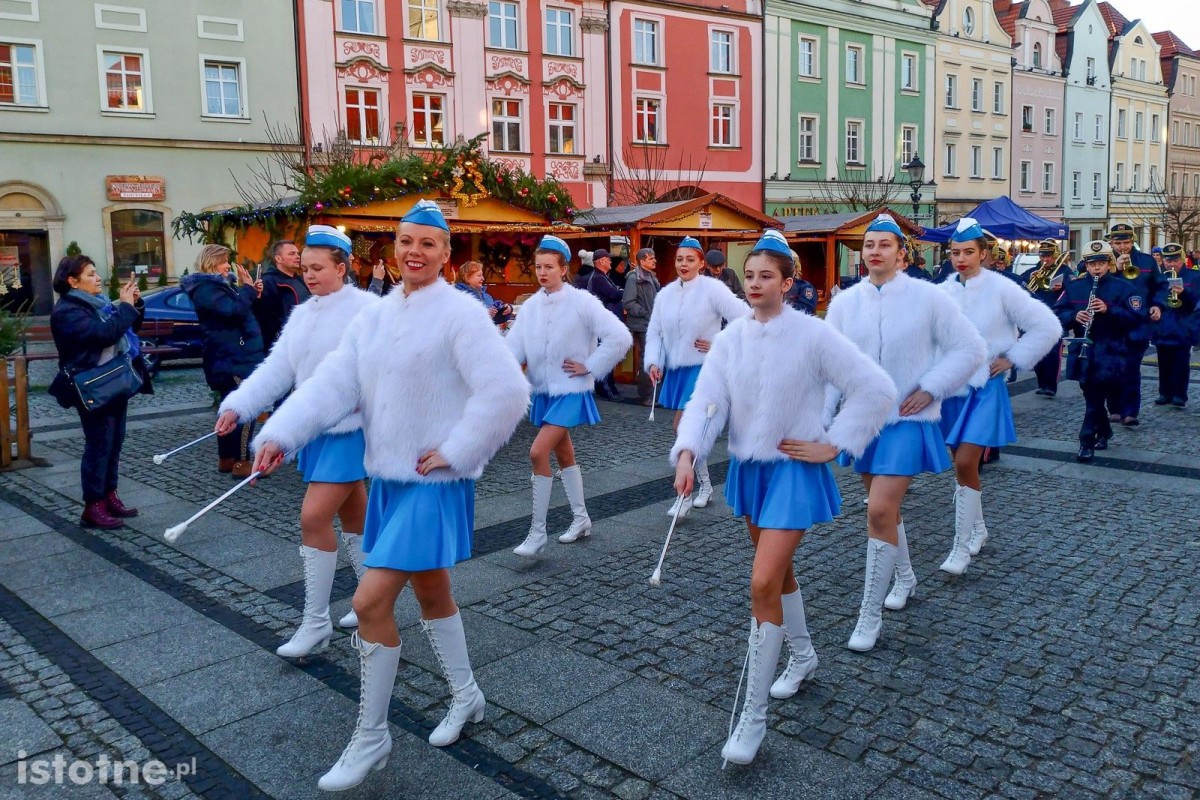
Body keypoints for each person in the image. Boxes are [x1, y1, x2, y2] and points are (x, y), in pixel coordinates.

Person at [252, 200, 529, 792]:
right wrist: (282, 433)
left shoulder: (461, 314)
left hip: (433, 483)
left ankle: (372, 736)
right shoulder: (375, 317)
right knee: (432, 592)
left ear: (446, 253)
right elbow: (333, 383)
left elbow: (507, 390)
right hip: (388, 480)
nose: (414, 252)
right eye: (406, 241)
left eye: (427, 243)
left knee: (370, 601)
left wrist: (458, 448)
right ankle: (467, 695)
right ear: (392, 248)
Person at [671, 228, 895, 766]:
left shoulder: (813, 335)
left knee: (761, 581)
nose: (754, 284)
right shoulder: (732, 339)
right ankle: (804, 655)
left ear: (788, 283)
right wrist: (688, 452)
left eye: (766, 276)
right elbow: (708, 400)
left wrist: (835, 443)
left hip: (794, 470)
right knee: (780, 575)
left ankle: (752, 719)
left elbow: (876, 388)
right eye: (749, 276)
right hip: (751, 469)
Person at [824, 215, 986, 652]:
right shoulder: (845, 304)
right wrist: (822, 422)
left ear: (901, 254)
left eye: (884, 245)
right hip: (863, 422)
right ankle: (906, 577)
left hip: (907, 421)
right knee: (886, 511)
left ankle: (869, 615)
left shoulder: (927, 298)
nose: (874, 251)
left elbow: (970, 349)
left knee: (878, 510)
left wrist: (932, 387)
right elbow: (828, 365)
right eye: (869, 245)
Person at [218, 227, 378, 655]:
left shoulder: (366, 310)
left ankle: (316, 622)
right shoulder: (304, 313)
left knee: (313, 518)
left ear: (342, 268)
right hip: (313, 429)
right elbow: (279, 368)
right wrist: (239, 407)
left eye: (318, 268)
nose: (308, 275)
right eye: (304, 268)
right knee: (354, 516)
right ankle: (372, 600)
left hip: (349, 430)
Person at [936, 218, 1060, 575]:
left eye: (968, 252)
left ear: (984, 254)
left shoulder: (1003, 289)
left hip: (986, 387)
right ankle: (978, 529)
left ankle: (960, 548)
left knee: (966, 463)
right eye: (955, 253)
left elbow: (1047, 326)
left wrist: (1012, 358)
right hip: (952, 388)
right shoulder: (941, 292)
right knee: (960, 465)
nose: (961, 259)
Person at [508, 235, 632, 558]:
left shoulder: (582, 302)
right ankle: (581, 519)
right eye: (538, 267)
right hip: (545, 391)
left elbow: (619, 337)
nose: (542, 272)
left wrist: (591, 366)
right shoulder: (531, 307)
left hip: (572, 389)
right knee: (564, 454)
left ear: (564, 269)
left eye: (549, 267)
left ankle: (538, 533)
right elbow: (511, 350)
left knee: (538, 452)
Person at [48, 256, 153, 529]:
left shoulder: (98, 303)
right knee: (99, 445)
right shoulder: (68, 310)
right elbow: (104, 334)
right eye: (91, 274)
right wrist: (125, 307)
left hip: (113, 380)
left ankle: (109, 495)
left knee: (114, 442)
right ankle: (93, 506)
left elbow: (125, 328)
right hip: (92, 385)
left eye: (96, 273)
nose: (98, 278)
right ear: (73, 282)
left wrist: (134, 305)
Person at [646, 236, 749, 516]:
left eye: (690, 259)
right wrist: (654, 361)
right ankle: (704, 486)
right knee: (685, 429)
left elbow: (745, 317)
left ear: (701, 264)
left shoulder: (713, 289)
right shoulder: (665, 294)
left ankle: (686, 495)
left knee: (684, 426)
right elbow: (655, 332)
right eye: (680, 259)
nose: (684, 264)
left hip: (704, 368)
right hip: (677, 370)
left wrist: (719, 342)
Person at [1054, 241, 1143, 461]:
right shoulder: (1075, 286)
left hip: (1111, 350)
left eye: (1101, 263)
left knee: (1095, 396)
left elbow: (1136, 318)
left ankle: (1086, 441)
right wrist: (1074, 316)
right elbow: (1057, 314)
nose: (1097, 268)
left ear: (1109, 263)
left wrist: (1108, 310)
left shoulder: (1123, 288)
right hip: (1083, 349)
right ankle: (1104, 430)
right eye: (1092, 264)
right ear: (1085, 264)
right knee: (1090, 394)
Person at [181, 245, 265, 477]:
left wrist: (251, 292)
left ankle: (227, 458)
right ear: (212, 263)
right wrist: (248, 290)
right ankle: (242, 461)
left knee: (230, 408)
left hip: (233, 356)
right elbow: (233, 312)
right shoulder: (207, 288)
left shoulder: (218, 286)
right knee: (245, 408)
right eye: (224, 261)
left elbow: (239, 310)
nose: (228, 265)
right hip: (232, 358)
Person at [1107, 223, 1166, 426]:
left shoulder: (1147, 261)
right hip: (1112, 323)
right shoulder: (1105, 261)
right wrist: (1115, 270)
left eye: (1126, 242)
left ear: (1133, 241)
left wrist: (1158, 305)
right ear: (1111, 243)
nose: (1122, 247)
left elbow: (1160, 286)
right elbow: (1096, 286)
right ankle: (1114, 408)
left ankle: (1130, 411)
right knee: (1113, 366)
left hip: (1138, 322)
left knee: (1132, 367)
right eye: (1118, 243)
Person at [1151, 243, 1200, 408]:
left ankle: (1180, 395)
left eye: (1175, 260)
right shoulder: (1160, 278)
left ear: (1183, 259)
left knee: (1181, 362)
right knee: (1163, 361)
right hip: (1164, 324)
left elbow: (1196, 301)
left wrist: (1184, 293)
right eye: (1168, 261)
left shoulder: (1194, 276)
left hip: (1183, 325)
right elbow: (1155, 297)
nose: (1171, 264)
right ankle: (1165, 393)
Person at [1027, 240, 1074, 397]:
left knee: (1053, 353)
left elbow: (1075, 288)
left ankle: (1051, 386)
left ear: (1055, 256)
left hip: (1056, 316)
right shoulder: (1034, 271)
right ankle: (1042, 384)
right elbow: (1022, 288)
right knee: (1037, 353)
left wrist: (1063, 286)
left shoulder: (1065, 271)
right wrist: (1028, 278)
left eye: (1049, 256)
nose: (1045, 259)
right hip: (1036, 317)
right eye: (1043, 256)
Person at [253, 239, 310, 351]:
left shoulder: (300, 280)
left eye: (297, 253)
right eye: (292, 254)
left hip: (303, 340)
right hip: (281, 345)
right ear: (278, 259)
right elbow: (264, 316)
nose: (297, 257)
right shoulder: (268, 281)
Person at [585, 247, 626, 398]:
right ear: (601, 262)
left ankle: (609, 387)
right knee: (605, 354)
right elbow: (614, 294)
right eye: (608, 259)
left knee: (607, 354)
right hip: (603, 322)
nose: (610, 261)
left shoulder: (602, 276)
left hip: (606, 321)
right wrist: (621, 292)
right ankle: (604, 388)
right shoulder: (598, 278)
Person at [623, 247, 661, 405]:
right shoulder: (634, 278)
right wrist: (645, 313)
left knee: (653, 356)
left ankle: (652, 395)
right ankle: (646, 395)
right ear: (642, 261)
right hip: (642, 324)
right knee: (647, 357)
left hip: (651, 323)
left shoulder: (651, 276)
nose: (654, 260)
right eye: (651, 258)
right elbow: (628, 302)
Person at [455, 260, 512, 326]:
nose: (483, 278)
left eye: (482, 275)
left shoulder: (486, 296)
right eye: (479, 275)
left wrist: (505, 310)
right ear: (467, 278)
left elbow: (496, 319)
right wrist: (484, 313)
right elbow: (460, 317)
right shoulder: (459, 296)